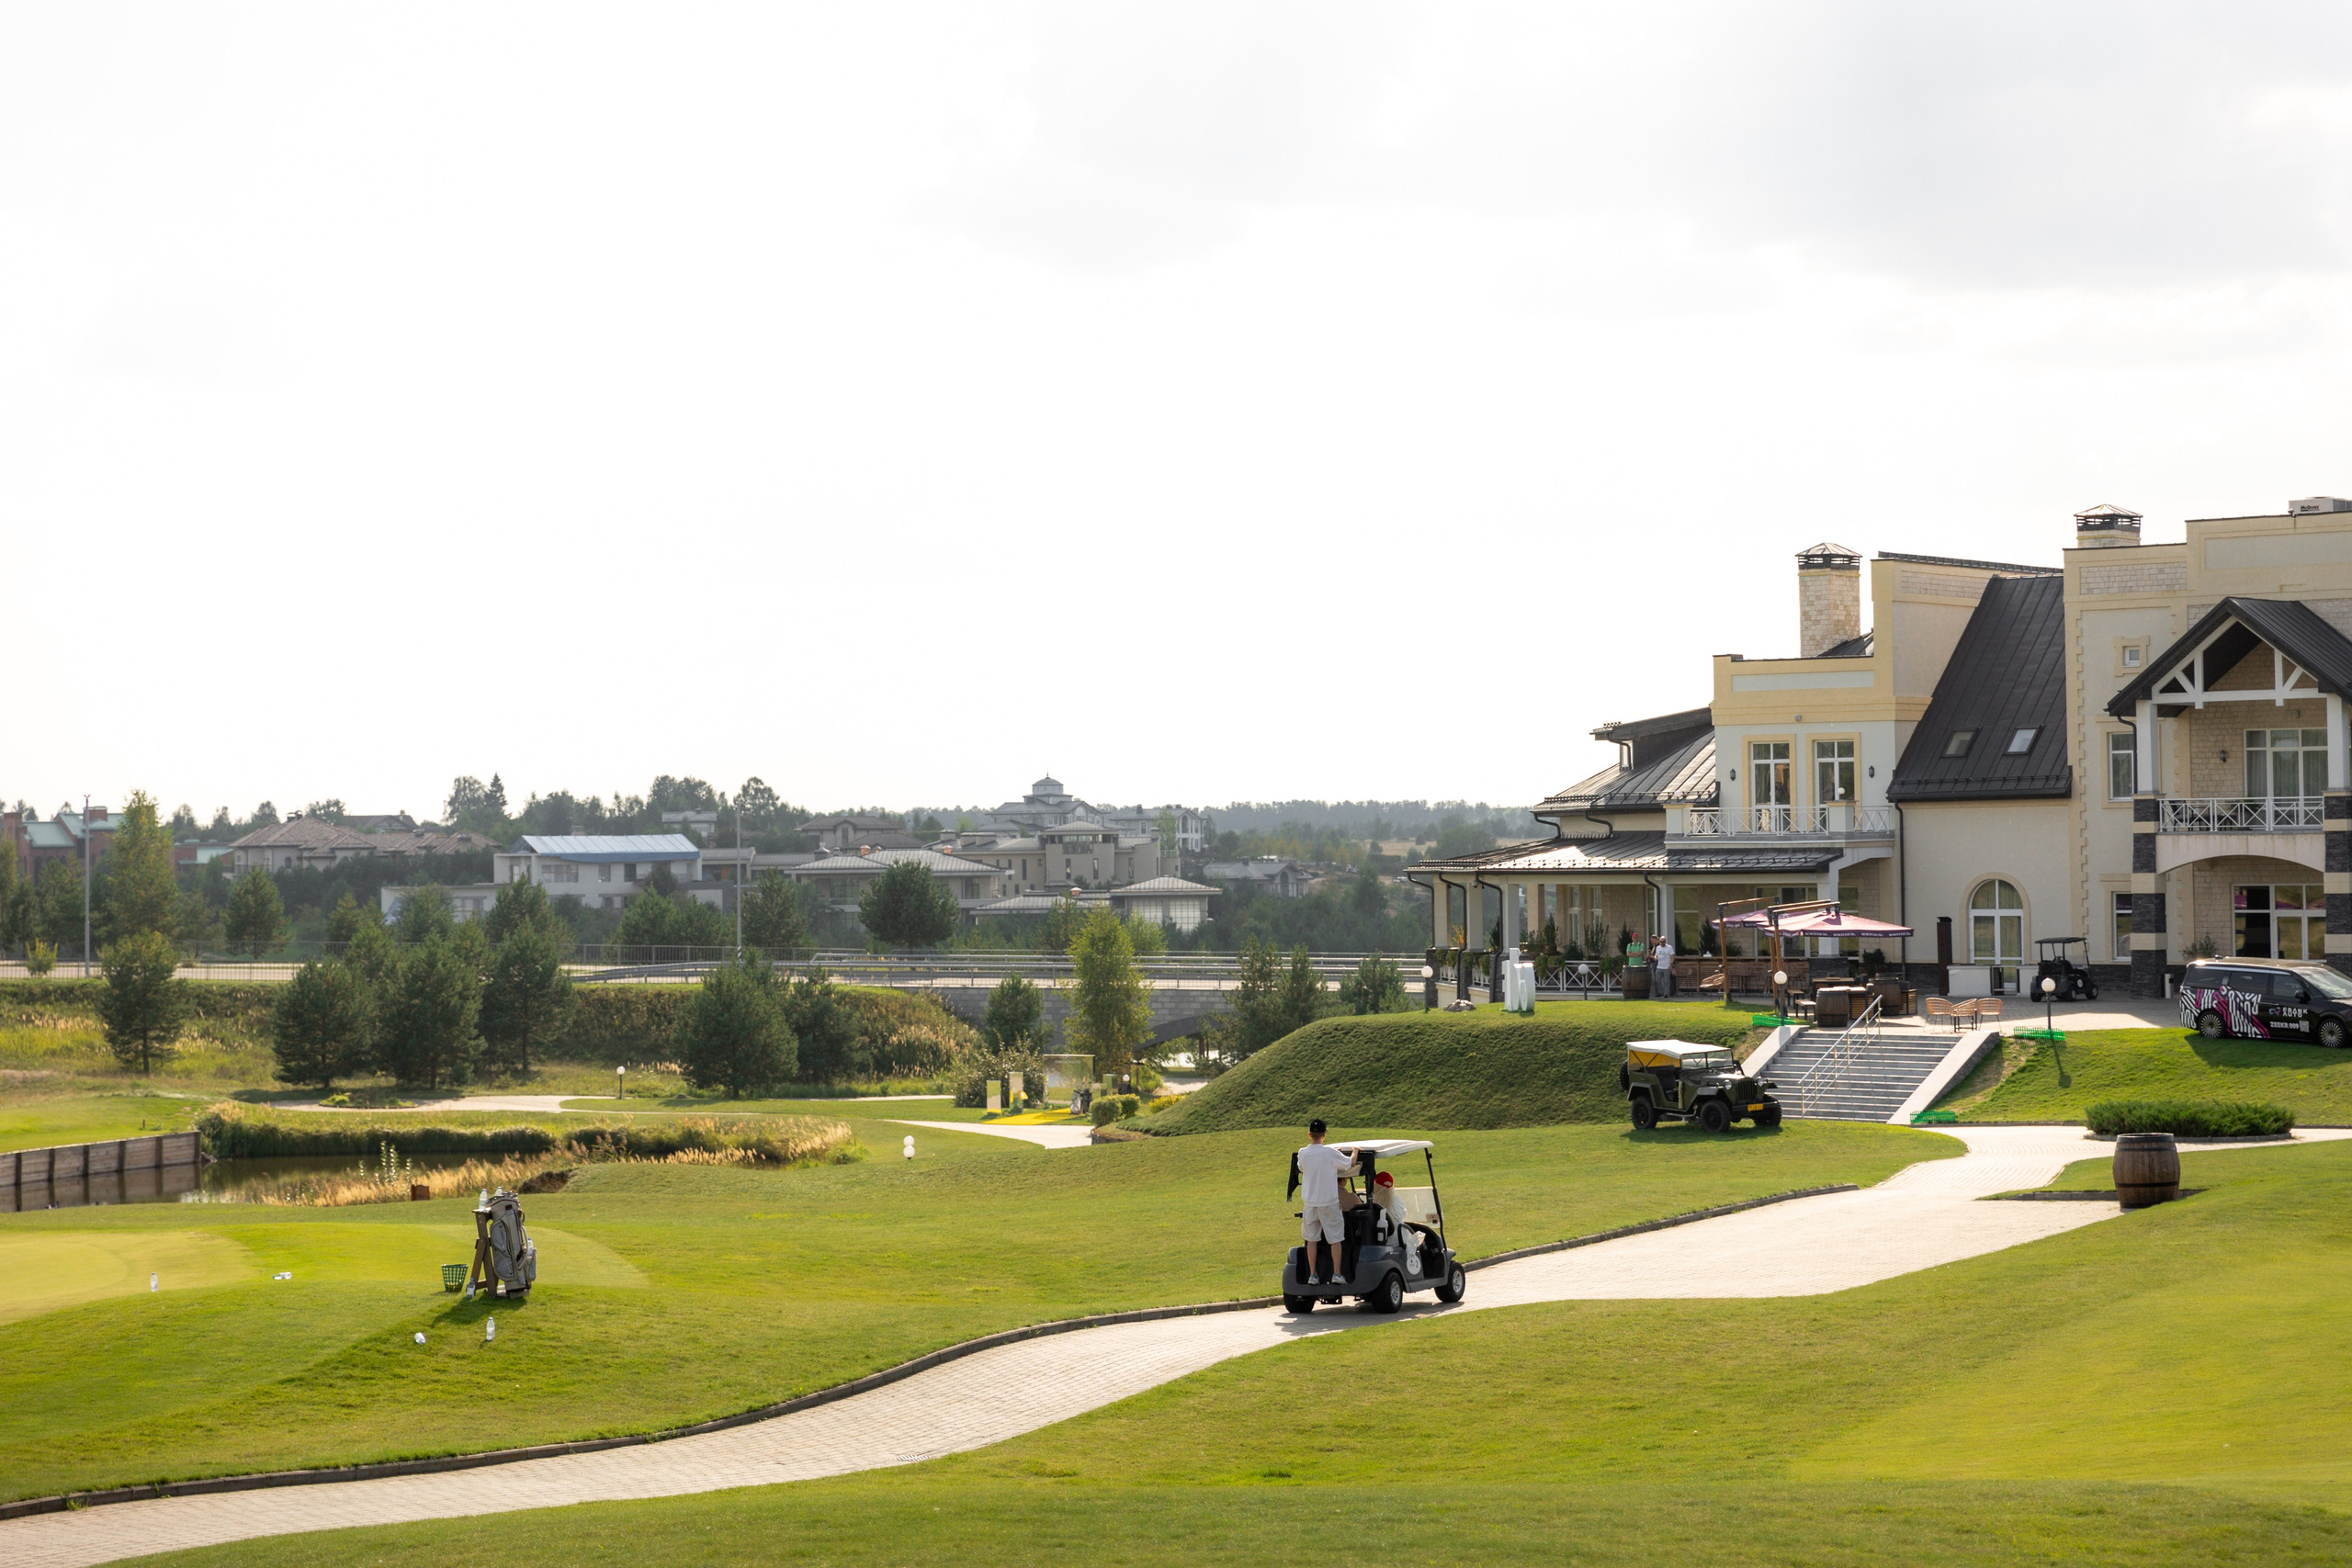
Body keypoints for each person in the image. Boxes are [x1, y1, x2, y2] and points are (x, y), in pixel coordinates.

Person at [1290, 1118, 1358, 1289]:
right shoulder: (1330, 1153)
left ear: (1309, 1135)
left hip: (1310, 1203)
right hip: (1328, 1202)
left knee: (1311, 1239)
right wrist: (1355, 1151)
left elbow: (1302, 1167)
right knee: (1335, 1239)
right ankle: (1337, 1273)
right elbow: (1350, 1163)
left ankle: (1313, 1274)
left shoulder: (1302, 1153)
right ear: (1324, 1135)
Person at [1653, 931, 1677, 998]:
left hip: (1666, 967)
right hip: (1659, 966)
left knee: (1666, 982)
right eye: (1661, 942)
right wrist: (1655, 957)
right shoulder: (1658, 948)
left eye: (1663, 942)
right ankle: (1662, 992)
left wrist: (1671, 965)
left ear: (1665, 942)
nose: (1662, 943)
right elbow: (1656, 955)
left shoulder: (1669, 947)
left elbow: (1672, 957)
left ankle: (1666, 994)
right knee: (1657, 980)